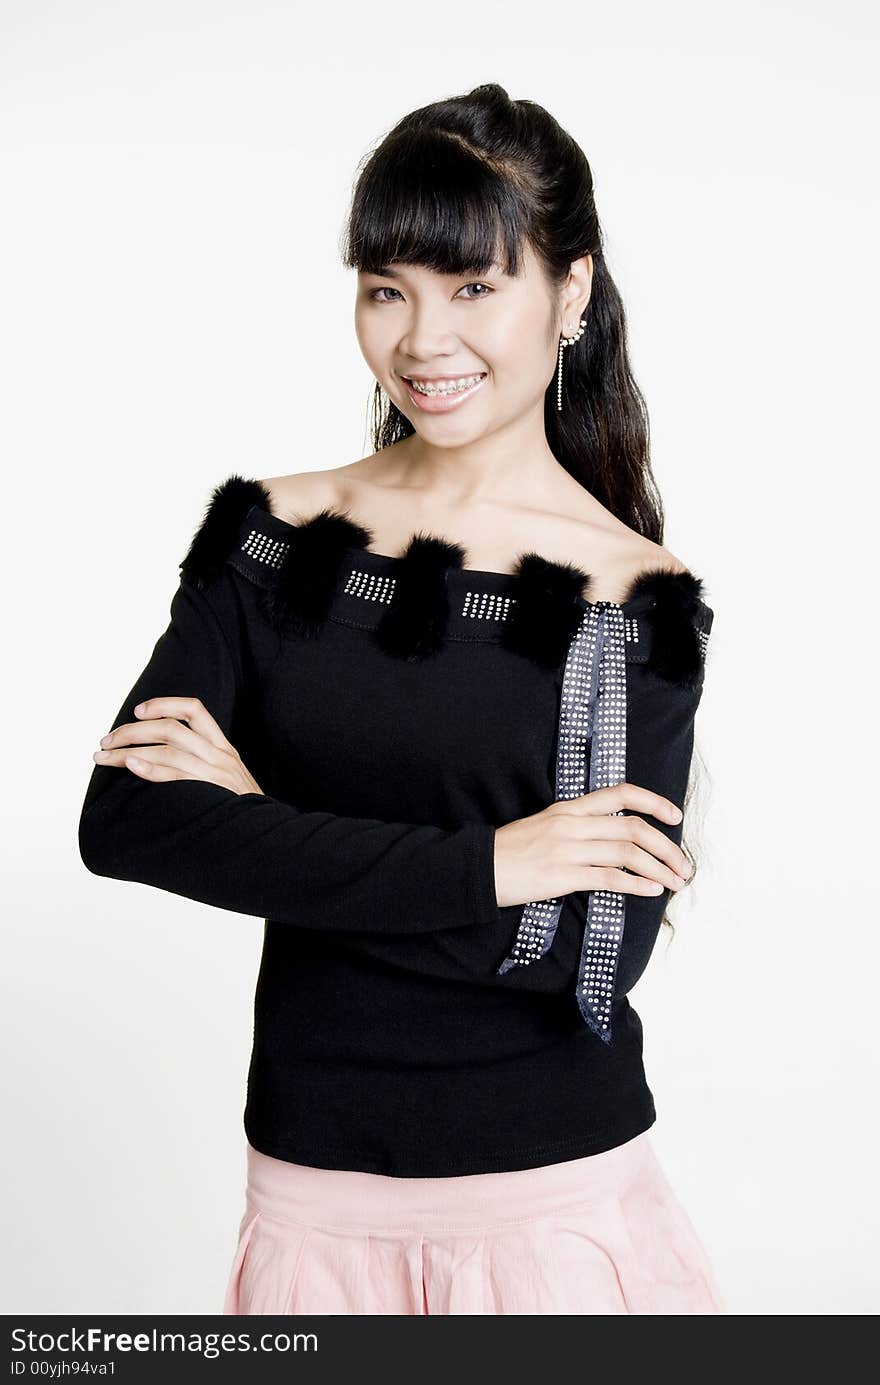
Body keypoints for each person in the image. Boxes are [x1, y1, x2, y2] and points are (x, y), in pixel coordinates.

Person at [78, 82, 724, 1315]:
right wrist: (492, 867)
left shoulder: (628, 602)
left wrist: (263, 825)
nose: (424, 340)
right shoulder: (270, 537)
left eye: (473, 286)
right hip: (309, 1199)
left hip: (552, 1211)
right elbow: (128, 822)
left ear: (570, 291)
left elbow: (591, 961)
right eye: (389, 289)